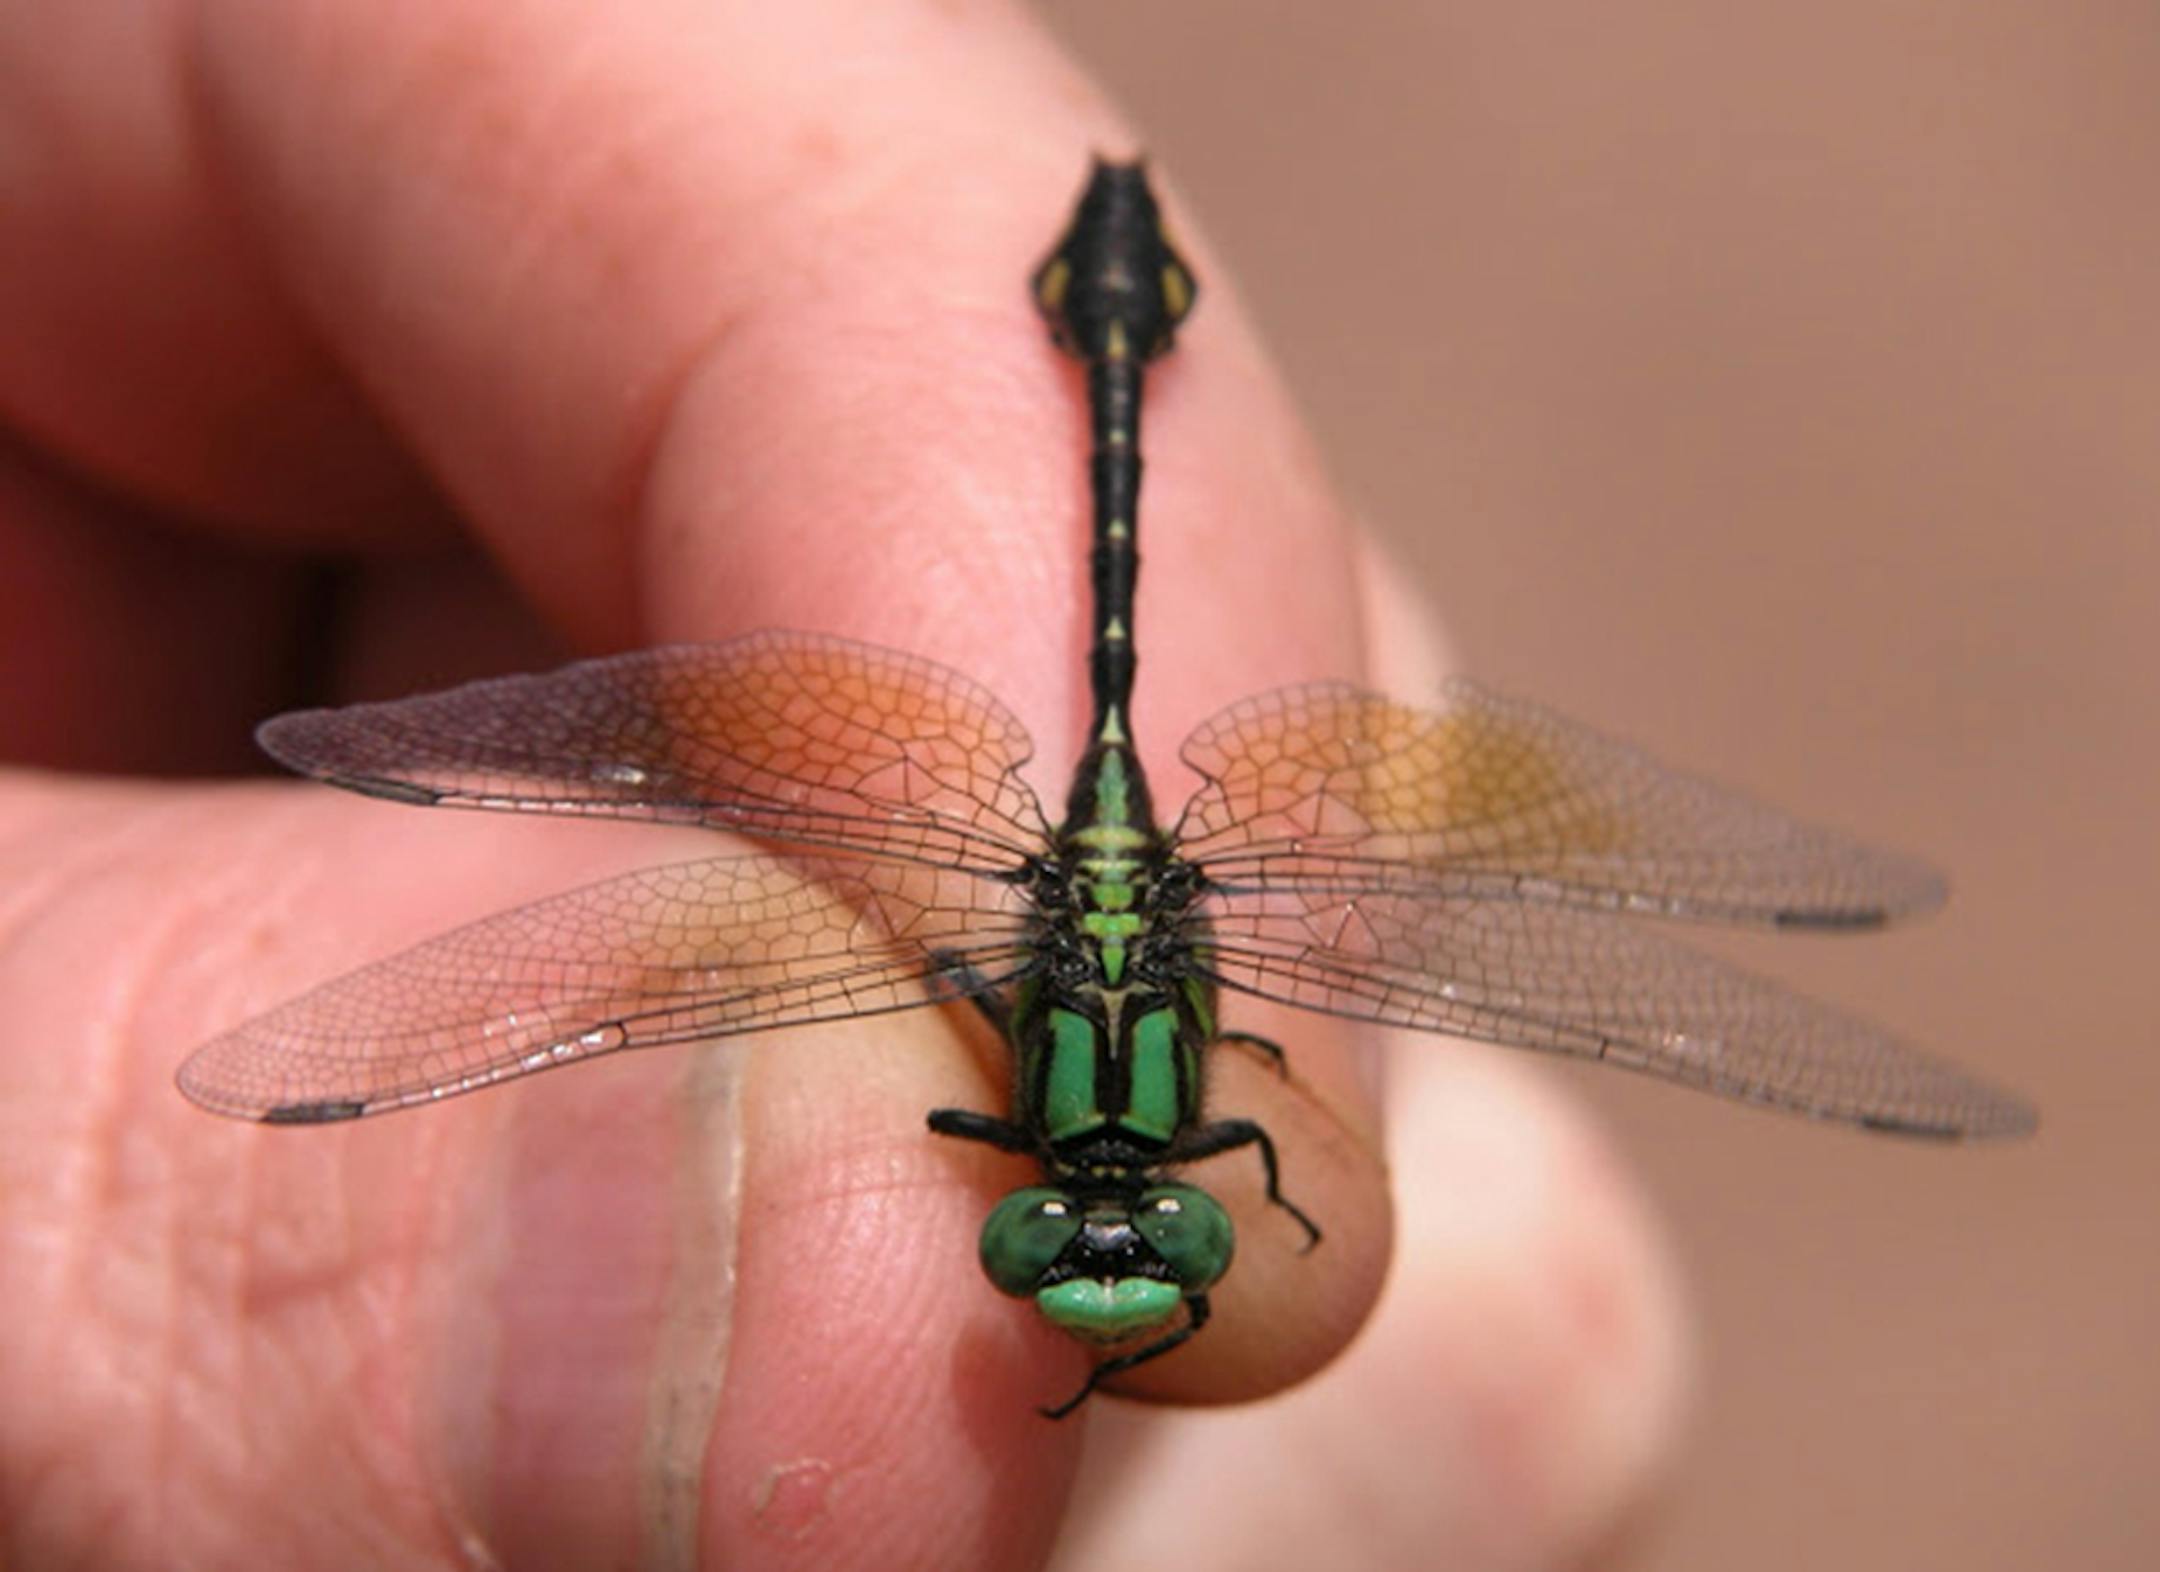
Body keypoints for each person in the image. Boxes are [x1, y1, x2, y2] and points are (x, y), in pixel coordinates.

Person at [0, 3, 1683, 1565]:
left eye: (1085, 1263)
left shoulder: (1043, 1126)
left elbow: (1012, 1023)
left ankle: (1109, 349)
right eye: (1134, 1260)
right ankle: (1109, 343)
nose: (1101, 1265)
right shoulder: (1190, 1118)